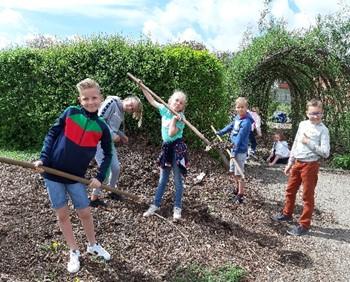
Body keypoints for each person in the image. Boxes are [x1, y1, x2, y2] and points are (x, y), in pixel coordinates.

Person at [33, 78, 112, 273]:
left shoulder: (102, 126)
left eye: (94, 97)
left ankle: (92, 245)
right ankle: (73, 250)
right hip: (52, 173)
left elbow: (109, 154)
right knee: (62, 215)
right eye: (86, 98)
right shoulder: (70, 113)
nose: (90, 102)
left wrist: (100, 177)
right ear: (80, 99)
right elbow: (52, 134)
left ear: (100, 98)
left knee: (84, 212)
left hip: (76, 177)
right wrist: (43, 159)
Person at [272, 99, 330, 236]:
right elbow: (296, 144)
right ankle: (287, 214)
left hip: (310, 165)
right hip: (297, 163)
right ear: (307, 113)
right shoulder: (303, 124)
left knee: (307, 195)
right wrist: (290, 163)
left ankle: (304, 224)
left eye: (318, 113)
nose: (315, 116)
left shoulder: (323, 130)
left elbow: (326, 153)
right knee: (290, 190)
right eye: (312, 113)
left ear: (322, 113)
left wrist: (309, 142)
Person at [141, 88, 189, 221]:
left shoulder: (181, 118)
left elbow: (172, 133)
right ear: (170, 101)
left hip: (178, 150)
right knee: (163, 179)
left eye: (181, 103)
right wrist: (142, 87)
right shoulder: (164, 109)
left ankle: (177, 208)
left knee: (178, 180)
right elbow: (152, 101)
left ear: (183, 107)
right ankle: (155, 205)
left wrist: (175, 119)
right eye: (176, 100)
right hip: (167, 149)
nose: (178, 103)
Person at [90, 95, 143, 207]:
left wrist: (122, 135)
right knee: (106, 170)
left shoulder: (121, 113)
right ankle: (94, 198)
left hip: (108, 143)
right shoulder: (112, 103)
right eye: (131, 104)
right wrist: (113, 135)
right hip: (98, 141)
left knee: (116, 168)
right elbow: (99, 119)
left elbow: (114, 127)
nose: (130, 107)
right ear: (128, 99)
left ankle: (111, 191)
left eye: (133, 109)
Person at [216, 97, 254, 204]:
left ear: (246, 108)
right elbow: (231, 126)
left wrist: (234, 152)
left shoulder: (246, 122)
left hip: (240, 151)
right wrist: (221, 132)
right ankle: (237, 189)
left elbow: (240, 138)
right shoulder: (238, 118)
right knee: (233, 171)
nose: (240, 109)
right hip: (234, 149)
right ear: (235, 108)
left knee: (239, 173)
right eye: (238, 107)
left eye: (242, 107)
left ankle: (240, 195)